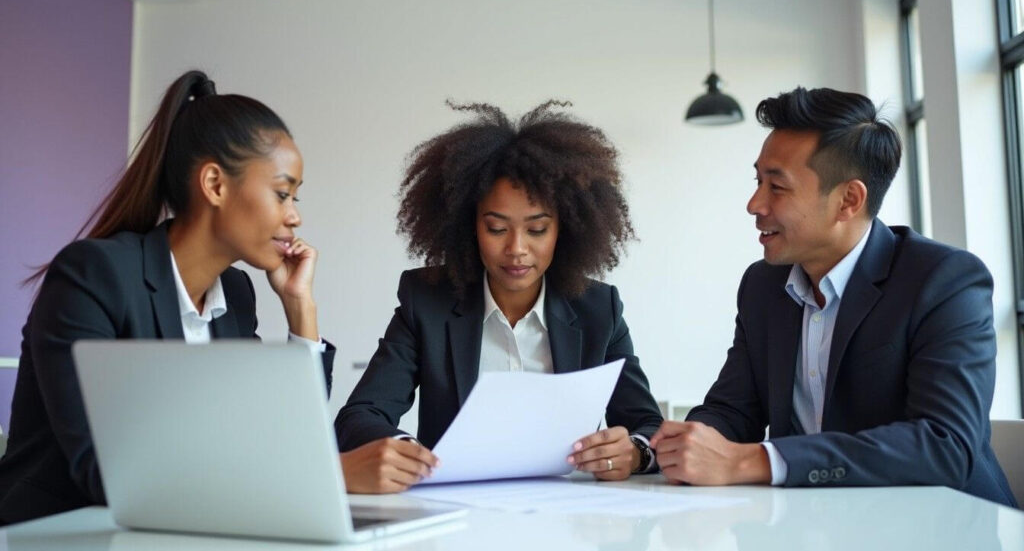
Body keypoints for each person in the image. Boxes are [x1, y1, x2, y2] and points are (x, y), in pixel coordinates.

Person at [650, 87, 1017, 508]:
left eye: (777, 187)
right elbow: (734, 411)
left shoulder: (944, 281)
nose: (754, 204)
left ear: (849, 200)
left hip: (945, 528)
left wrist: (760, 461)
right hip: (811, 525)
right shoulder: (763, 286)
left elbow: (944, 444)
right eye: (758, 182)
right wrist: (666, 447)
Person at [0, 70, 335, 524]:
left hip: (175, 529)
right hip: (58, 532)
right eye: (282, 193)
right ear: (215, 184)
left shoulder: (235, 295)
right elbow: (104, 476)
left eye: (295, 197)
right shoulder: (93, 277)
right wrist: (325, 476)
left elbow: (283, 440)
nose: (294, 217)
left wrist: (301, 308)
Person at [335, 101, 663, 493]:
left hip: (570, 520)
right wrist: (406, 451)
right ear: (468, 226)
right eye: (496, 228)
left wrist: (635, 452)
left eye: (537, 230)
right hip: (455, 517)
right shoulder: (426, 303)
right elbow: (360, 415)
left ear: (566, 230)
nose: (517, 249)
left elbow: (648, 426)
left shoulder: (597, 309)